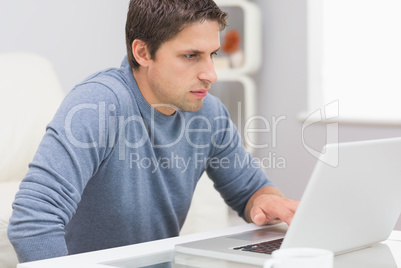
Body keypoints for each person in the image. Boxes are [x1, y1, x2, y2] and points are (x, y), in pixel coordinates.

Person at [8, 0, 299, 263]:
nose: (211, 74)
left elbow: (250, 190)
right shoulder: (97, 104)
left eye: (212, 54)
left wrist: (265, 200)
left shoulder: (209, 112)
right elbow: (33, 219)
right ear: (143, 52)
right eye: (190, 56)